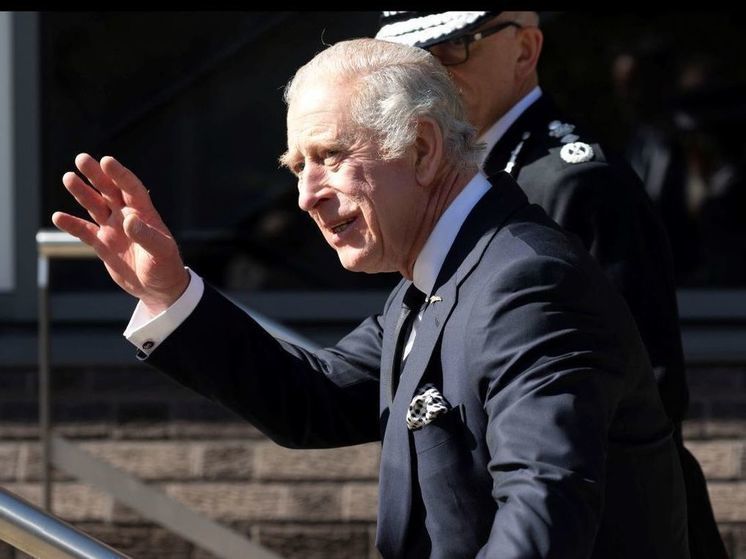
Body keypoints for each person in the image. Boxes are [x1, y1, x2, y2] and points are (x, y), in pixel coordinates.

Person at [52, 38, 689, 558]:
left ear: (422, 149)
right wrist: (170, 291)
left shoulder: (525, 283)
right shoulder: (442, 272)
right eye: (297, 166)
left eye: (330, 156)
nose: (307, 195)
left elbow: (544, 509)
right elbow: (316, 398)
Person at [376, 11, 726, 558]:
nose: (431, 72)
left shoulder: (575, 181)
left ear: (524, 49)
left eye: (454, 48)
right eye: (417, 56)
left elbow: (637, 389)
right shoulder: (466, 173)